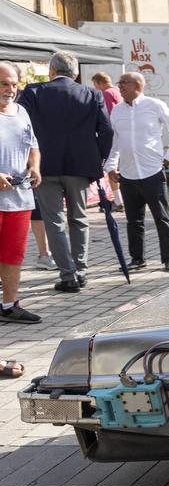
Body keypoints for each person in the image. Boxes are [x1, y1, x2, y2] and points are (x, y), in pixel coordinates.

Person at [19, 50, 113, 294]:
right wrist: (98, 159)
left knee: (54, 221)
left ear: (51, 71)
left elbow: (20, 126)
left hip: (44, 166)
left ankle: (68, 274)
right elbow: (106, 131)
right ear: (76, 73)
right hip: (80, 166)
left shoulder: (33, 92)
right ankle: (81, 269)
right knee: (79, 218)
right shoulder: (92, 94)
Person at [104, 72, 169, 273]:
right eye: (119, 83)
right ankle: (137, 258)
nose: (119, 86)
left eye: (123, 83)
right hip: (129, 174)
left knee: (162, 218)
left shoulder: (154, 106)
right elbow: (115, 141)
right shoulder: (117, 111)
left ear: (137, 85)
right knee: (133, 220)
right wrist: (110, 166)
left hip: (152, 172)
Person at [0, 61, 43, 323]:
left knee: (13, 255)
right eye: (4, 84)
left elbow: (32, 145)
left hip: (19, 198)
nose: (10, 89)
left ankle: (9, 305)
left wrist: (35, 167)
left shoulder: (21, 112)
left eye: (14, 84)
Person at [90, 72, 124, 211]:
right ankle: (121, 199)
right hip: (122, 135)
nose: (96, 88)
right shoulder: (117, 91)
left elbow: (107, 115)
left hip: (112, 136)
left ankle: (118, 201)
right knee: (119, 168)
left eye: (95, 85)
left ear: (100, 83)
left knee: (111, 168)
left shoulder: (107, 93)